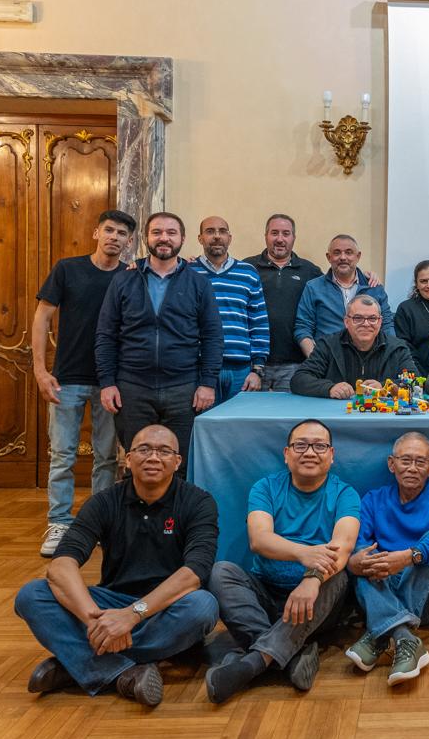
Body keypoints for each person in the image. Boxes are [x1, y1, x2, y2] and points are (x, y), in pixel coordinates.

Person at [14, 425, 220, 707]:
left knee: (203, 606)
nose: (153, 457)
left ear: (177, 462)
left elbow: (194, 574)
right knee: (32, 595)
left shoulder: (198, 502)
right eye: (144, 449)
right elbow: (61, 565)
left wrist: (132, 615)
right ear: (128, 459)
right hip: (109, 605)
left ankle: (77, 665)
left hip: (165, 607)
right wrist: (95, 622)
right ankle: (122, 673)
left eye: (164, 451)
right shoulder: (104, 502)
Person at [206, 420, 360, 701]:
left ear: (332, 455)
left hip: (317, 603)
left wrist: (311, 579)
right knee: (221, 571)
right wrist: (304, 553)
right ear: (286, 454)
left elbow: (342, 548)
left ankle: (253, 663)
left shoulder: (345, 494)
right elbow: (259, 539)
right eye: (300, 445)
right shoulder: (265, 487)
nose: (310, 452)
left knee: (339, 575)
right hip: (266, 594)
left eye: (319, 446)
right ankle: (291, 655)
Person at [32, 209, 136, 557]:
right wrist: (40, 370)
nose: (114, 237)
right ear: (96, 233)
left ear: (129, 242)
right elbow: (42, 318)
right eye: (109, 230)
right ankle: (59, 522)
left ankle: (98, 521)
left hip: (110, 381)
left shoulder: (129, 276)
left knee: (106, 457)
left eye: (122, 234)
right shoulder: (68, 269)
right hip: (67, 378)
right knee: (63, 455)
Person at [95, 211, 223, 468]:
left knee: (180, 463)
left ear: (182, 239)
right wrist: (107, 383)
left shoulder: (199, 284)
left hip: (183, 389)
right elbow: (106, 335)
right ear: (146, 238)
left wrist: (208, 383)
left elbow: (212, 336)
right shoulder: (124, 280)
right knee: (137, 463)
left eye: (171, 232)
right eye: (157, 232)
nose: (164, 238)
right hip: (132, 388)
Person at [345, 432, 429, 685]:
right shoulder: (373, 499)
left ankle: (380, 633)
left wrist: (409, 557)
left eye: (420, 462)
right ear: (392, 464)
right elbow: (356, 544)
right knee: (365, 558)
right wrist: (359, 561)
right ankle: (404, 638)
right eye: (405, 460)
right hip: (385, 586)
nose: (412, 468)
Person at [189, 215, 270, 403]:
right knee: (203, 420)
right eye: (210, 231)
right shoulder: (188, 272)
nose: (217, 236)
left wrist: (257, 369)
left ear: (230, 238)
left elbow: (258, 323)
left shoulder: (248, 273)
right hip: (199, 370)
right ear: (200, 238)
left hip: (241, 372)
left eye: (222, 231)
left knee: (239, 422)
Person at [243, 214, 323, 391]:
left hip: (295, 364)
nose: (280, 239)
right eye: (274, 233)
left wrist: (366, 277)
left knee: (291, 410)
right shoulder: (247, 268)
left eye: (286, 233)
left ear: (294, 237)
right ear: (266, 236)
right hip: (253, 364)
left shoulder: (310, 271)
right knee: (253, 409)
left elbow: (335, 284)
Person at [290, 295, 416, 399]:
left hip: (383, 415)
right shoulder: (328, 345)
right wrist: (329, 388)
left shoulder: (397, 348)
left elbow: (415, 382)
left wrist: (385, 387)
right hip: (336, 415)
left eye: (372, 318)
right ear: (346, 322)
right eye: (358, 318)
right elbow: (299, 379)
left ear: (380, 322)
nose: (366, 324)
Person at [295, 233, 395, 354]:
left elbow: (387, 325)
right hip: (328, 359)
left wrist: (388, 356)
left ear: (358, 256)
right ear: (329, 257)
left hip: (370, 359)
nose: (343, 257)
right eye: (337, 253)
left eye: (349, 252)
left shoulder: (373, 287)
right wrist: (316, 359)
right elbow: (303, 328)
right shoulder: (313, 288)